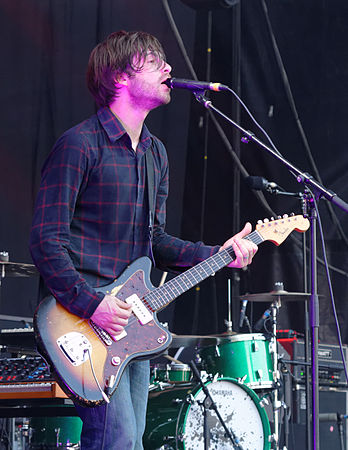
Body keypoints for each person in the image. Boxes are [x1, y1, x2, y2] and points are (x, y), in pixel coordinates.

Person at [29, 30, 258, 450]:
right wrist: (92, 304)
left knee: (129, 441)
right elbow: (46, 240)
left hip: (132, 324)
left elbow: (156, 242)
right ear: (119, 77)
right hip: (82, 322)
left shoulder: (156, 154)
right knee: (115, 440)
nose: (169, 68)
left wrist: (221, 254)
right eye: (154, 61)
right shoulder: (79, 146)